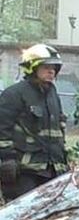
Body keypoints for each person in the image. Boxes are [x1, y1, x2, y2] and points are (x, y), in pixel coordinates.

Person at [0, 44, 68, 199]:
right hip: (24, 172)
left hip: (52, 171)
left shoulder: (52, 94)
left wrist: (63, 162)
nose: (51, 71)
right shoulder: (14, 94)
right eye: (46, 67)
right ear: (32, 68)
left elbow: (58, 131)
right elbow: (2, 130)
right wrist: (8, 159)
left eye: (54, 68)